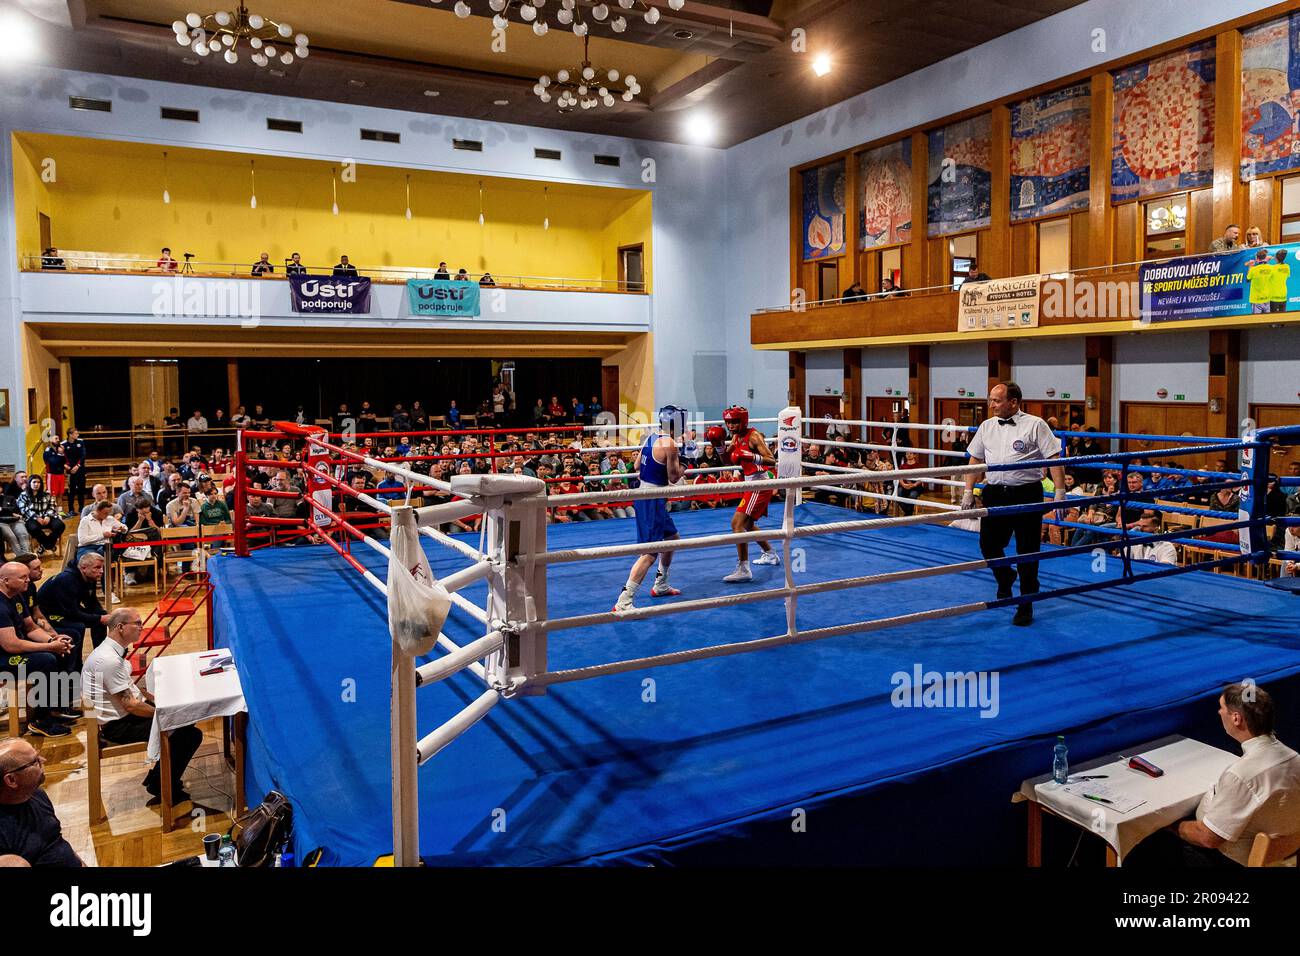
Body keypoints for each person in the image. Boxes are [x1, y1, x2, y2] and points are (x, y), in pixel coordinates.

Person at [1127, 683, 1300, 867]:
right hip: (1280, 845)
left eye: (1222, 707)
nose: (1219, 712)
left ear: (1236, 718)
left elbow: (1207, 839)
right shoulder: (1295, 758)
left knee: (1143, 843)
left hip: (1225, 860)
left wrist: (1168, 825)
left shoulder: (1241, 775)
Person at [961, 382, 1065, 627]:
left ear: (1014, 402)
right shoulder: (986, 426)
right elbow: (975, 458)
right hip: (995, 493)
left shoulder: (1036, 424)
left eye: (997, 400)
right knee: (988, 545)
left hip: (1027, 493)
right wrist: (968, 490)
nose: (991, 405)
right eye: (990, 400)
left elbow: (1054, 458)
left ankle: (1025, 603)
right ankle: (1006, 575)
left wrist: (1060, 492)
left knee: (1027, 550)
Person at [83, 608, 203, 806]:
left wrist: (157, 702)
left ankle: (159, 778)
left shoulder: (111, 651)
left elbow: (128, 691)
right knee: (189, 733)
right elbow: (130, 705)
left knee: (186, 716)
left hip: (124, 714)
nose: (142, 627)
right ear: (120, 627)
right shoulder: (108, 660)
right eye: (137, 623)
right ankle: (163, 786)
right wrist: (162, 713)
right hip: (119, 725)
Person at [612, 406, 688, 613]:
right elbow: (674, 477)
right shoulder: (670, 444)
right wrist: (687, 462)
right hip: (651, 500)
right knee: (649, 553)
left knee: (672, 538)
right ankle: (624, 600)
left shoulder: (650, 437)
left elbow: (636, 466)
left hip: (648, 496)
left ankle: (661, 584)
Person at [0, 562, 75, 737]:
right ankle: (40, 720)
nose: (28, 580)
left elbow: (30, 628)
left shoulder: (17, 596)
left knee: (63, 651)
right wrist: (49, 647)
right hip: (3, 658)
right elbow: (11, 645)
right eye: (23, 577)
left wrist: (54, 640)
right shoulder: (1, 607)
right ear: (6, 581)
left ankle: (56, 707)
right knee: (45, 660)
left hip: (13, 649)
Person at [719, 406, 780, 583]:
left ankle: (744, 568)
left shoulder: (754, 436)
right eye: (728, 422)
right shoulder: (736, 436)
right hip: (751, 482)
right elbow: (726, 461)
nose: (730, 425)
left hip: (759, 483)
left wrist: (751, 456)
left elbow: (772, 460)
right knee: (748, 524)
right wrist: (719, 446)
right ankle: (770, 554)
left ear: (743, 421)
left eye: (734, 421)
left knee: (737, 524)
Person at [0, 740, 83, 864]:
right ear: (11, 780)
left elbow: (57, 841)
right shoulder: (4, 833)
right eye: (35, 761)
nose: (43, 760)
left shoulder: (37, 794)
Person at [37, 551, 111, 653]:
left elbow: (91, 603)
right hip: (47, 615)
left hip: (64, 609)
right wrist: (99, 618)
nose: (101, 571)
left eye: (102, 568)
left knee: (101, 616)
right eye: (97, 567)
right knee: (79, 626)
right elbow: (71, 613)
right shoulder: (66, 580)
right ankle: (76, 665)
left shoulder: (90, 577)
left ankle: (101, 655)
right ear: (84, 568)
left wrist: (103, 616)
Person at [17, 475, 64, 554]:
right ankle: (49, 545)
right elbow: (23, 509)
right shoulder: (23, 495)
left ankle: (45, 545)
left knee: (60, 526)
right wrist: (36, 517)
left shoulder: (46, 494)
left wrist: (47, 516)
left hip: (47, 517)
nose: (36, 484)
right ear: (29, 483)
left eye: (38, 482)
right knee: (33, 528)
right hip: (32, 518)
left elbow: (52, 506)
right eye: (34, 482)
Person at [61, 428, 87, 514]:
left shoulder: (80, 442)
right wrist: (66, 466)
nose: (78, 435)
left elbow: (83, 455)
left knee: (81, 489)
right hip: (70, 471)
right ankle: (71, 509)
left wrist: (78, 466)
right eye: (76, 433)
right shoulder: (63, 444)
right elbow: (62, 457)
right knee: (71, 491)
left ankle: (81, 508)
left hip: (80, 469)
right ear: (70, 435)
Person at [42, 437, 67, 503]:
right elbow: (54, 462)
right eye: (56, 438)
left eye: (58, 438)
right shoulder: (48, 451)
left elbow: (64, 461)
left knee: (60, 493)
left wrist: (61, 454)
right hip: (52, 475)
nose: (58, 440)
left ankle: (60, 511)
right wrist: (60, 454)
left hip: (61, 474)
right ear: (51, 440)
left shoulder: (59, 449)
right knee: (52, 494)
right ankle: (52, 510)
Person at [1269, 248, 1291, 313]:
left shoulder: (1272, 268)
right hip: (1283, 296)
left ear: (1276, 258)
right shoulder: (1287, 267)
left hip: (1274, 297)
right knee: (1282, 318)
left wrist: (1268, 260)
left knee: (1273, 318)